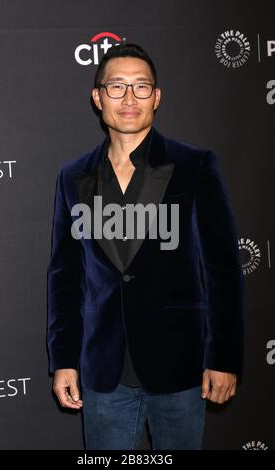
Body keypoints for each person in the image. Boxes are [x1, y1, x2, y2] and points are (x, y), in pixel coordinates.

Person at [47, 43, 245, 450]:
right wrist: (63, 359)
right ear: (97, 97)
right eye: (117, 87)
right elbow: (64, 277)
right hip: (104, 372)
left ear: (157, 97)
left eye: (141, 87)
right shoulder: (73, 177)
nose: (129, 99)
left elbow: (223, 270)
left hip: (180, 369)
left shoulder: (194, 166)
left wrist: (223, 357)